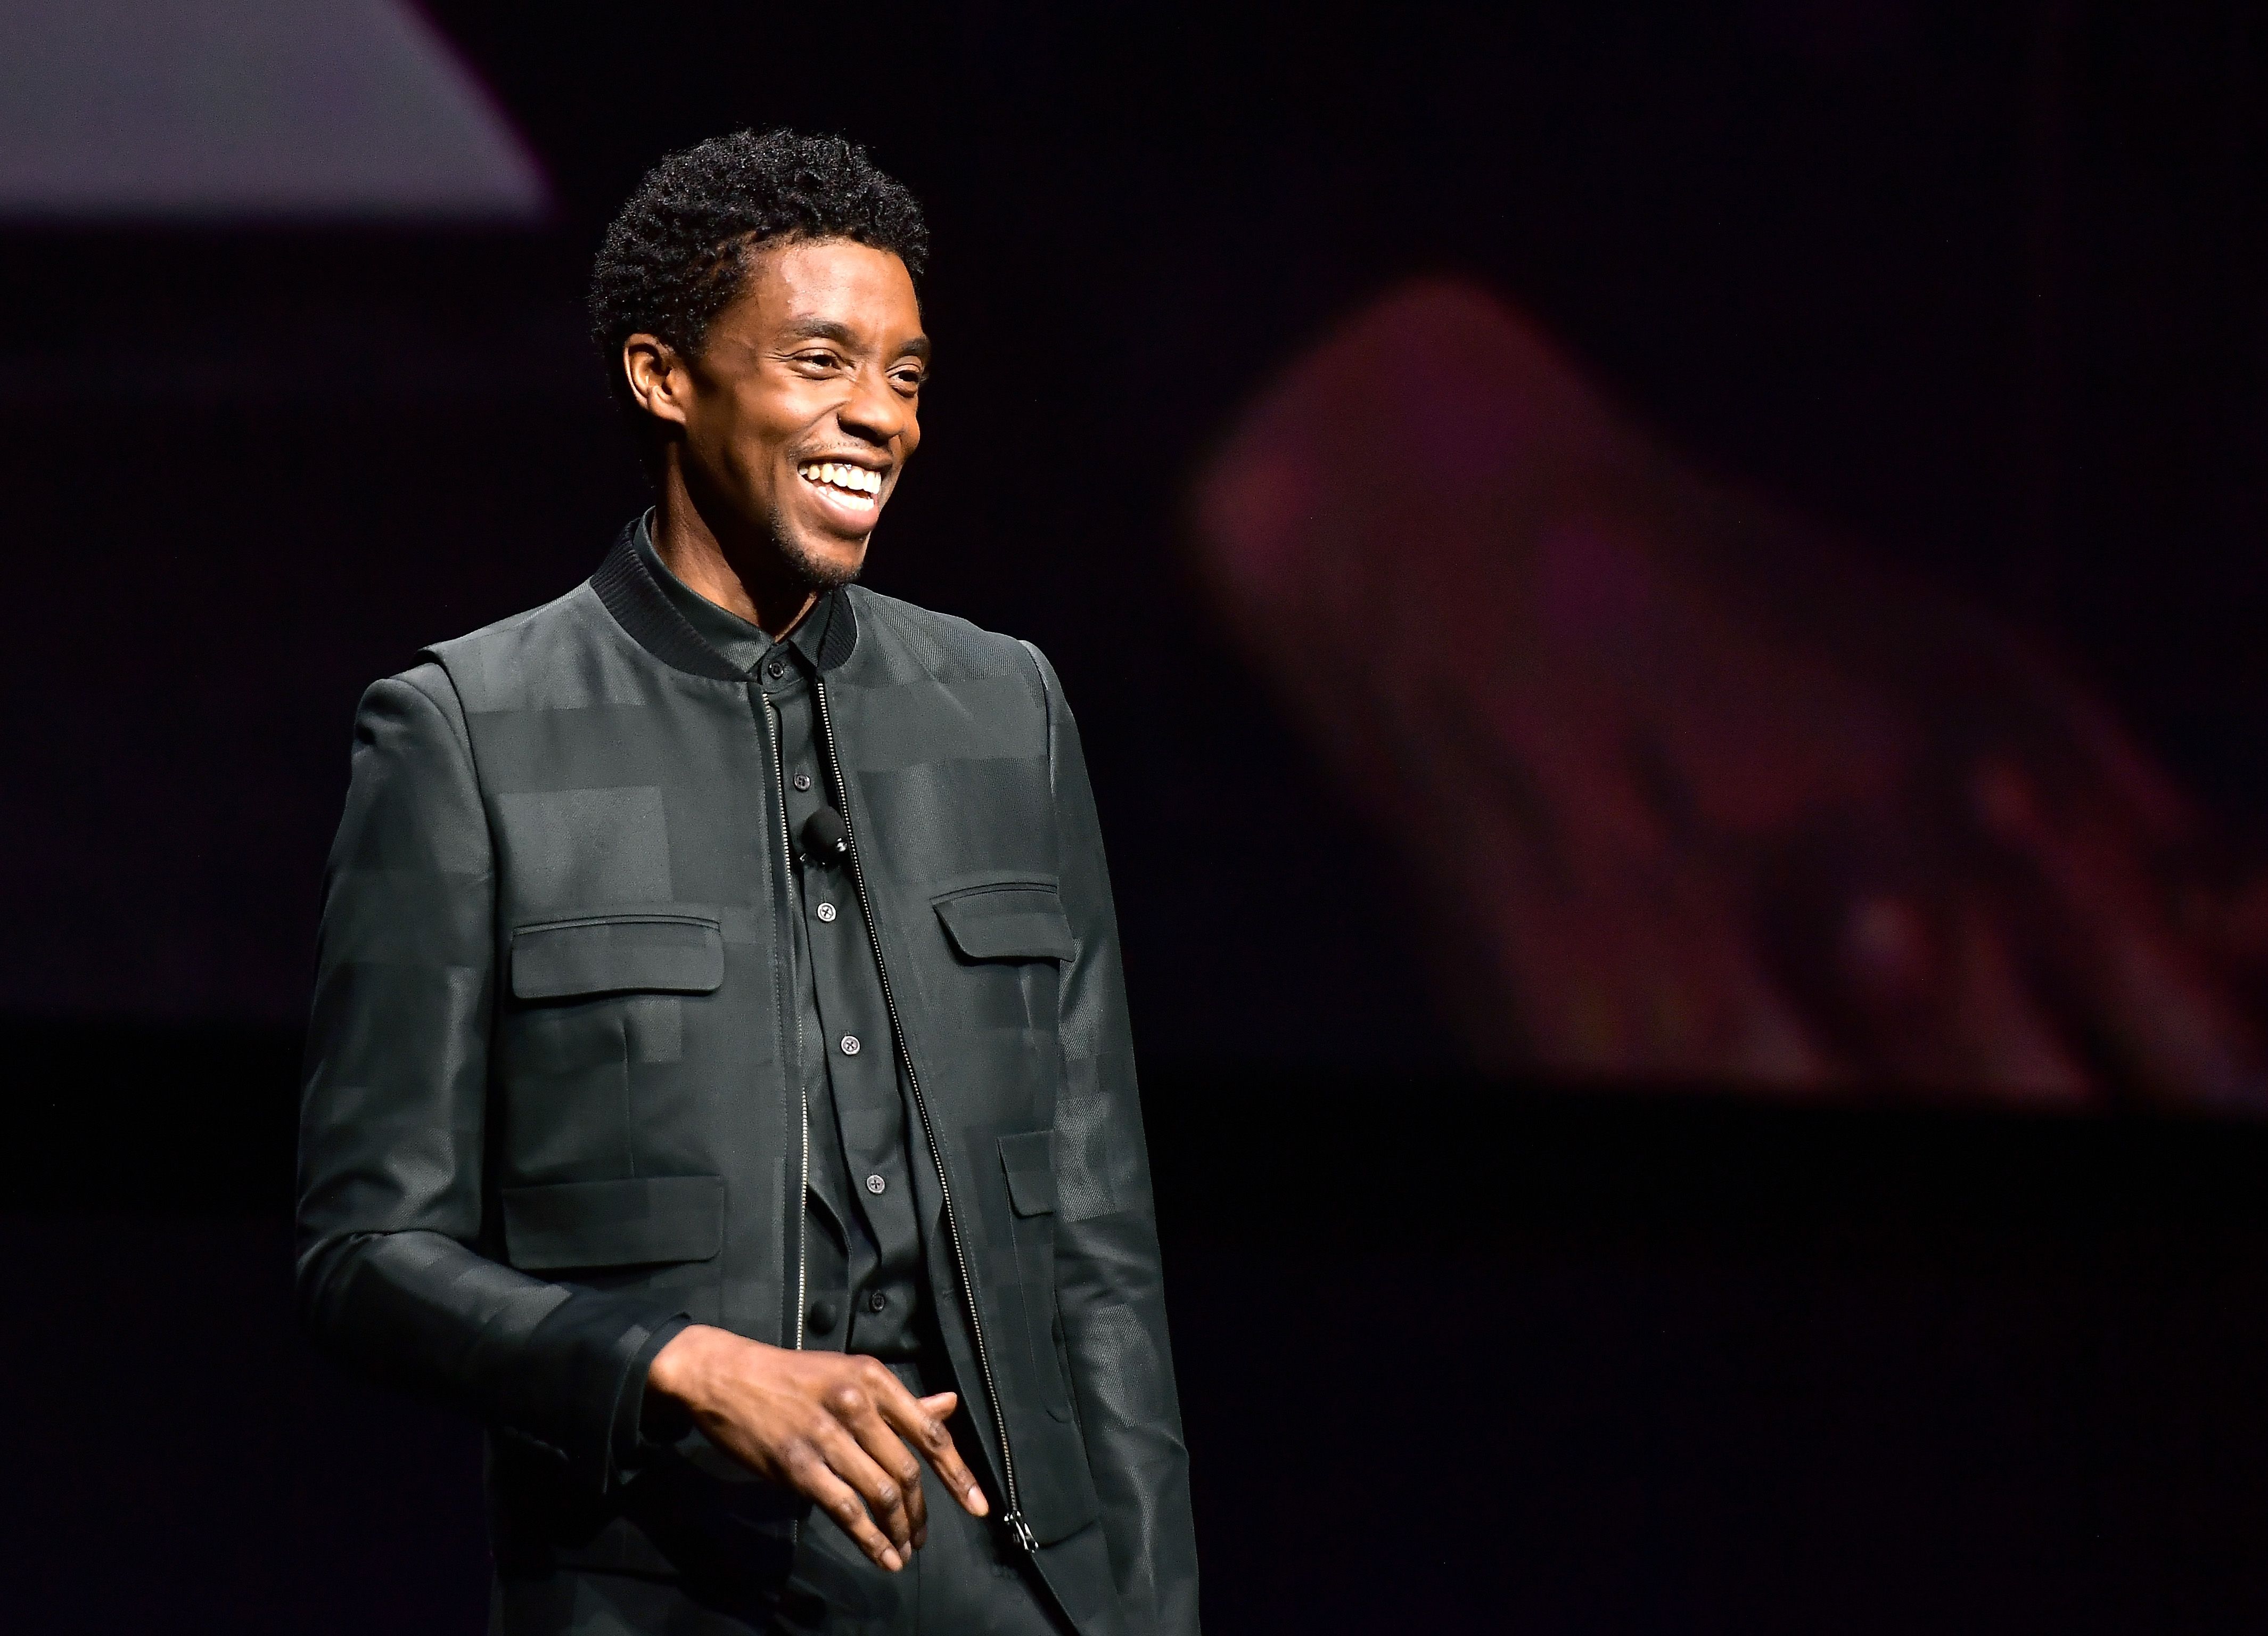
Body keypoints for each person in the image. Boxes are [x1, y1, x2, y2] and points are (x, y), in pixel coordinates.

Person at [295, 128, 1198, 1636]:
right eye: (822, 361)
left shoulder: (1006, 711)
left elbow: (1099, 1246)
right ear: (664, 377)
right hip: (666, 1587)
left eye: (906, 375)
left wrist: (1144, 1614)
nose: (879, 416)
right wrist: (681, 1366)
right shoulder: (468, 731)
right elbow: (364, 1257)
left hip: (1014, 1588)